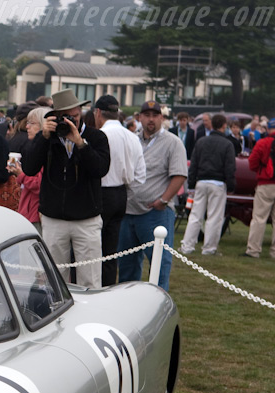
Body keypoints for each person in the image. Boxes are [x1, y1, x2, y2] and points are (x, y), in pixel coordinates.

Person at [21, 89, 111, 289]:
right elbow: (29, 167)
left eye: (76, 116)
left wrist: (80, 143)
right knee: (55, 280)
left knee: (90, 278)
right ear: (55, 117)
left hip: (86, 219)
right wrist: (43, 137)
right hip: (54, 218)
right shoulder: (49, 138)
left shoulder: (96, 138)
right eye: (66, 117)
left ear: (81, 112)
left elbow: (100, 169)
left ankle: (90, 315)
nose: (72, 121)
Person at [117, 100, 187, 291]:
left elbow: (179, 175)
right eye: (147, 115)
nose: (151, 119)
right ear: (139, 118)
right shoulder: (131, 139)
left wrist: (163, 200)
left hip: (155, 214)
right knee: (126, 267)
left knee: (159, 267)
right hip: (127, 212)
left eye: (155, 115)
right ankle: (126, 305)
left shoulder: (173, 143)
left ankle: (157, 306)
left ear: (162, 118)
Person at [94, 94, 146, 285]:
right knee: (110, 251)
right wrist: (125, 191)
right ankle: (107, 287)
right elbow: (140, 176)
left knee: (92, 250)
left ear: (98, 113)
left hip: (101, 194)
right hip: (120, 195)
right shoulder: (132, 138)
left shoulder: (101, 136)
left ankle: (93, 288)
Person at [180, 113, 237, 256]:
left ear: (212, 124)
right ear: (224, 126)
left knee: (195, 215)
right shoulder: (227, 144)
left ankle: (187, 246)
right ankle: (209, 248)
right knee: (214, 217)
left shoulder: (201, 142)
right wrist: (231, 185)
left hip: (201, 181)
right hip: (218, 183)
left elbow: (194, 164)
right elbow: (230, 167)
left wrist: (192, 183)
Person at [244, 122, 275, 258]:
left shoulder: (263, 143)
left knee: (259, 218)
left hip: (265, 183)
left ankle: (253, 250)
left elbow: (252, 162)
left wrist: (261, 171)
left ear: (268, 129)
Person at [16, 107, 49, 232]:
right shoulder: (32, 147)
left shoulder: (43, 151)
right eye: (27, 122)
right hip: (28, 212)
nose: (27, 127)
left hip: (35, 214)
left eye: (32, 123)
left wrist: (20, 174)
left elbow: (38, 185)